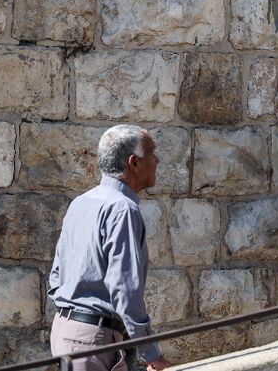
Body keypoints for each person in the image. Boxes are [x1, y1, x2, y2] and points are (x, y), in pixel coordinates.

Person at [48, 125, 169, 371]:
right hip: (93, 341)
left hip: (68, 332)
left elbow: (56, 276)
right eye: (152, 153)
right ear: (134, 163)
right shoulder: (123, 209)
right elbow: (125, 290)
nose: (157, 160)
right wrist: (151, 353)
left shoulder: (81, 202)